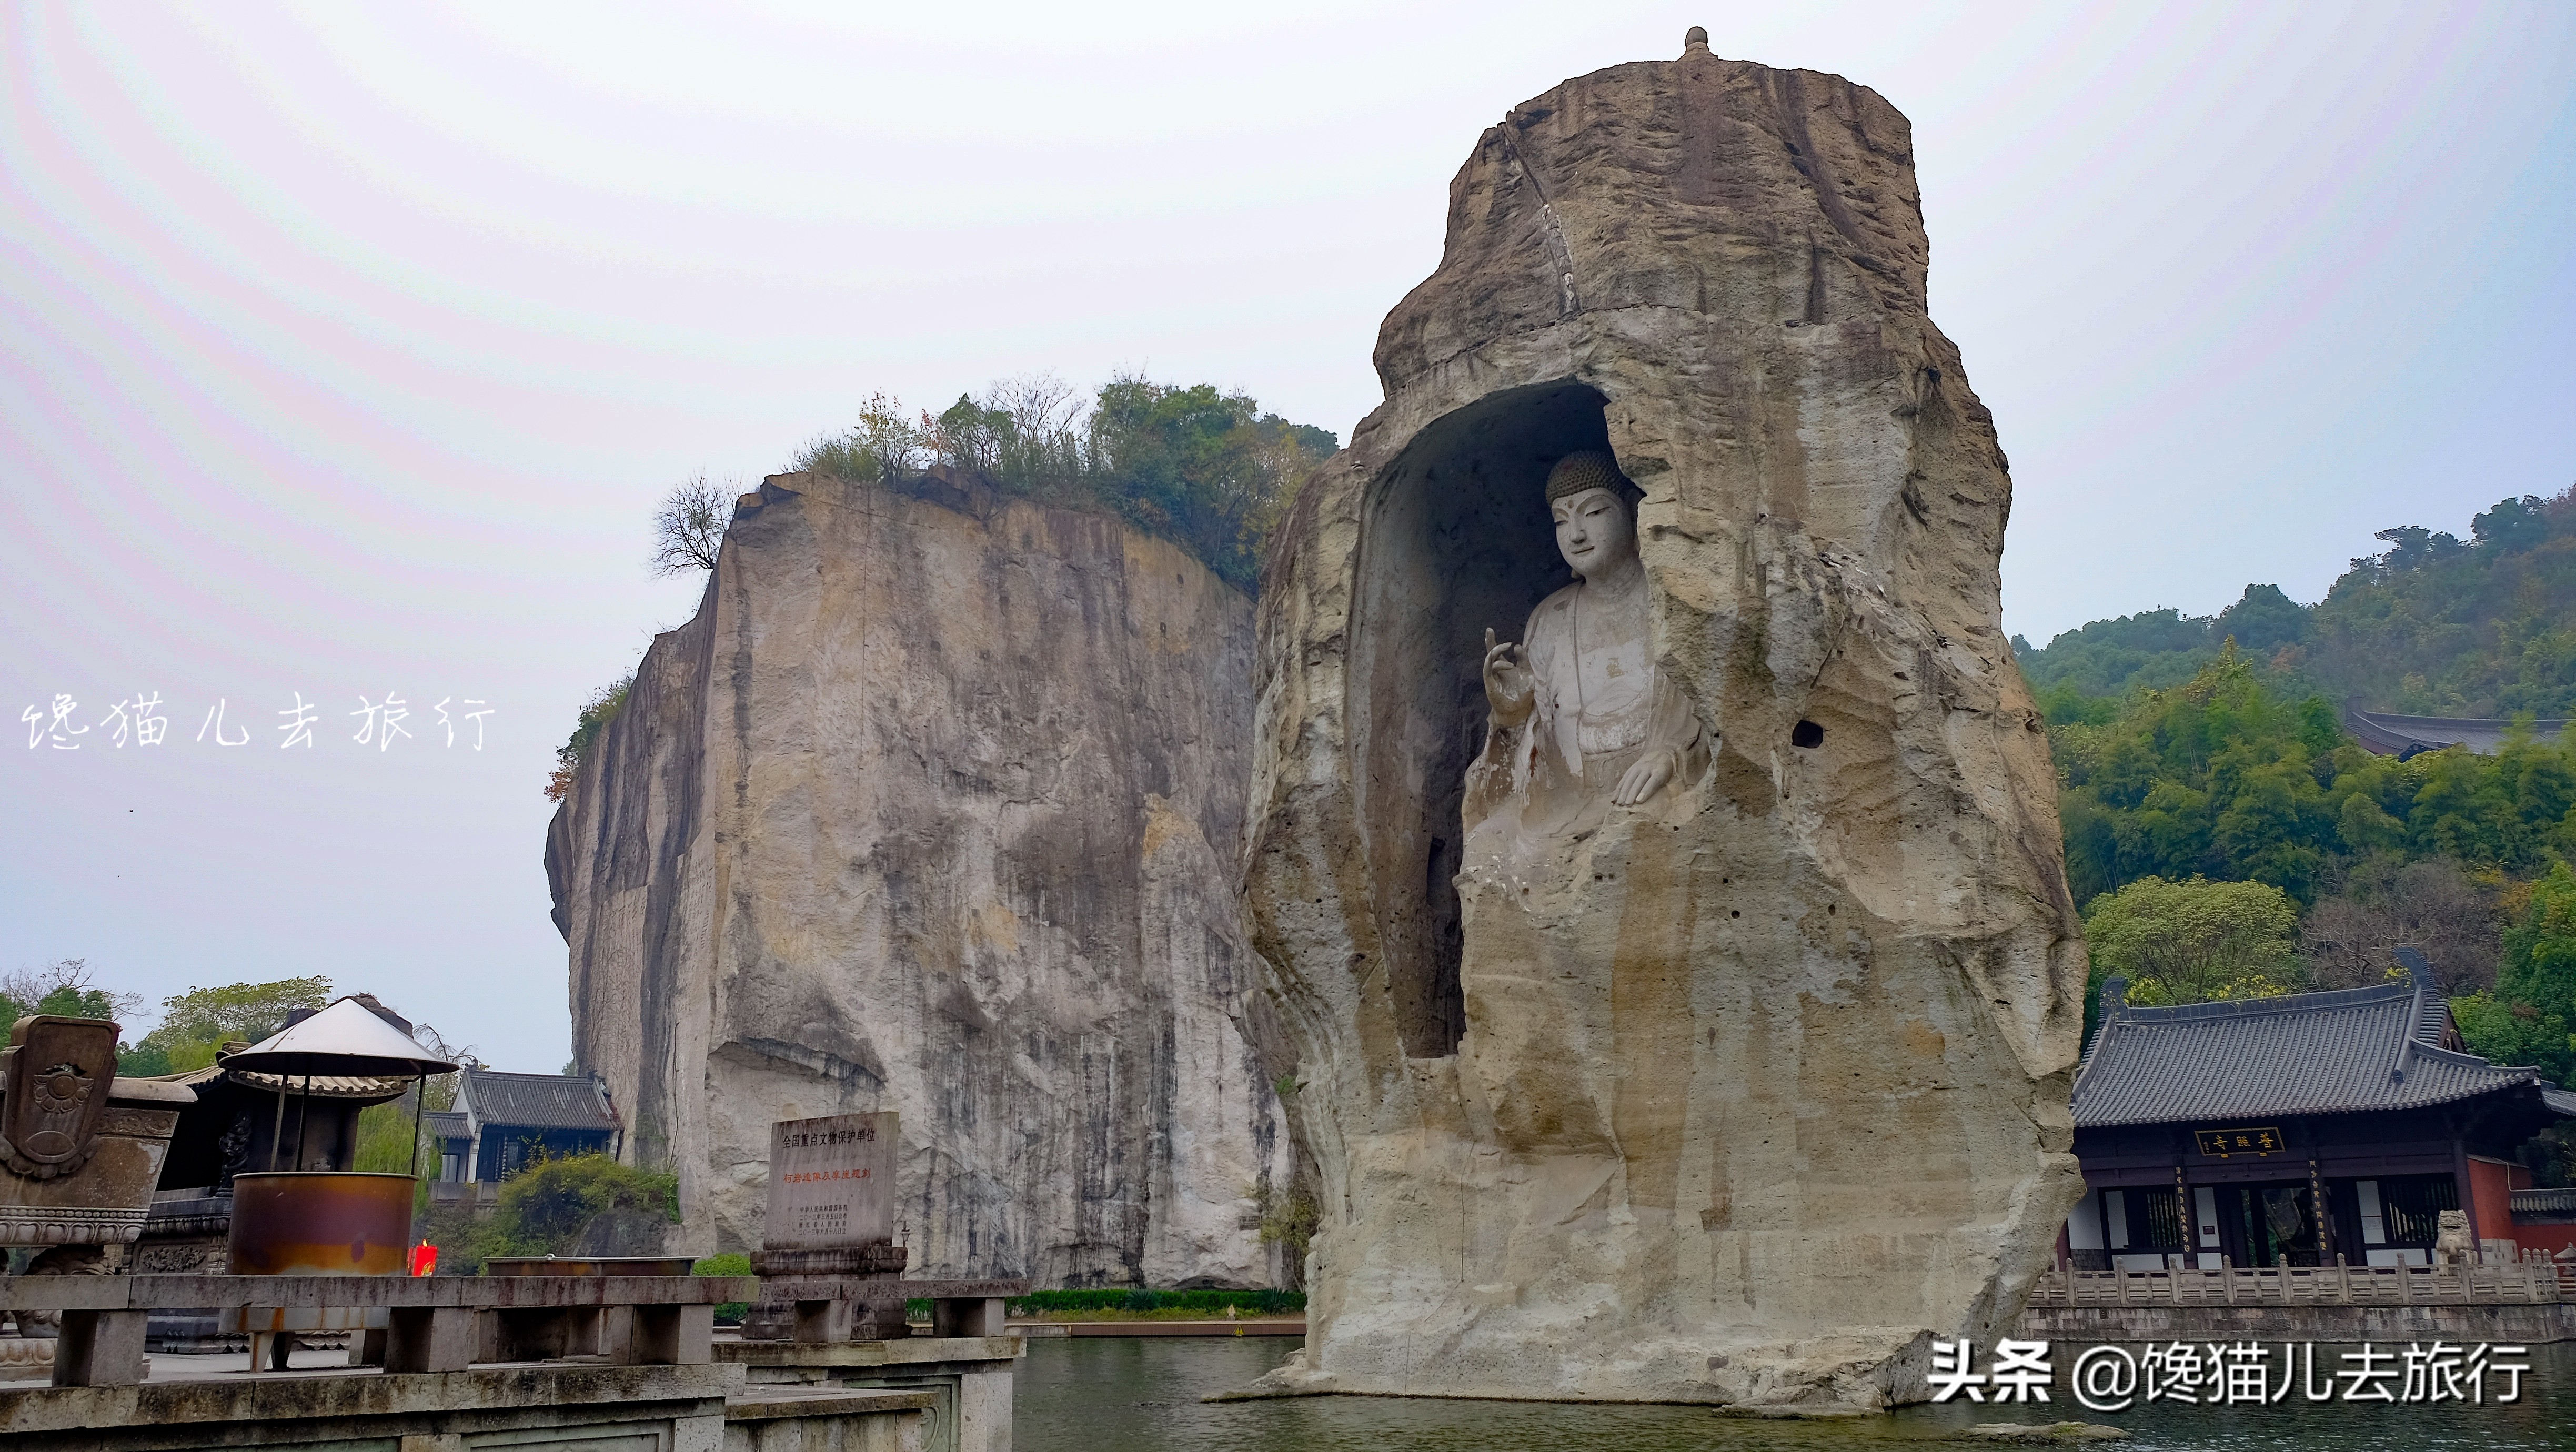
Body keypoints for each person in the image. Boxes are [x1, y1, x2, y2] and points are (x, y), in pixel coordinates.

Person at [1465, 451, 1709, 850]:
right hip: (1562, 798)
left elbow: (1718, 710)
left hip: (1652, 789)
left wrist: (1672, 756)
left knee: (1635, 838)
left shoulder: (1672, 598)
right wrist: (1512, 707)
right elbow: (1532, 743)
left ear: (1632, 511)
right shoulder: (1550, 617)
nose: (1576, 534)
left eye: (1594, 513)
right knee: (1487, 844)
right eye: (1562, 521)